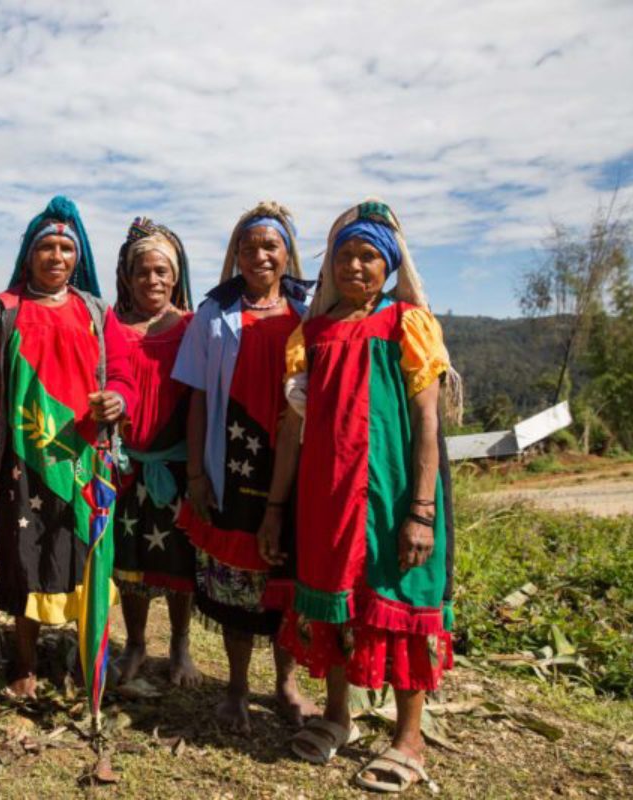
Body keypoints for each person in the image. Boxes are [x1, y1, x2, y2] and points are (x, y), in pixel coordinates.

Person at [274, 199, 459, 793]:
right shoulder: (314, 333)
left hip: (391, 490)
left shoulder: (407, 324)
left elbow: (428, 421)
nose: (355, 267)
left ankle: (410, 736)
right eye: (345, 256)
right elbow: (294, 428)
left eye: (369, 256)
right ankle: (338, 717)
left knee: (397, 601)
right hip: (328, 495)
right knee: (333, 600)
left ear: (390, 265)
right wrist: (278, 507)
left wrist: (422, 511)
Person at [0, 195, 135, 699]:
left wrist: (117, 400)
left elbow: (122, 372)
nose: (57, 256)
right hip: (21, 458)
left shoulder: (97, 312)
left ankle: (89, 658)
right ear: (29, 253)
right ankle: (24, 663)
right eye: (47, 247)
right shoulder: (2, 310)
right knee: (24, 555)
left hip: (86, 458)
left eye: (66, 248)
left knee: (86, 553)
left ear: (78, 257)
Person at [172, 202, 318, 730]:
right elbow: (195, 399)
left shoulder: (310, 310)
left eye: (270, 245)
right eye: (249, 245)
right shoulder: (213, 314)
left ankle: (285, 683)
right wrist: (194, 474)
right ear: (235, 254)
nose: (260, 254)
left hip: (296, 460)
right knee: (235, 581)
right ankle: (236, 686)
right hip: (230, 460)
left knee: (286, 575)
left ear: (286, 254)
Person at [109, 217, 201, 688]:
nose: (153, 280)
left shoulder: (191, 326)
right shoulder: (110, 325)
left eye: (163, 271)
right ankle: (136, 642)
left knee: (179, 558)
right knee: (130, 561)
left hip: (179, 463)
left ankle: (181, 644)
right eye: (143, 271)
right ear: (127, 276)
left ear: (177, 275)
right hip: (126, 466)